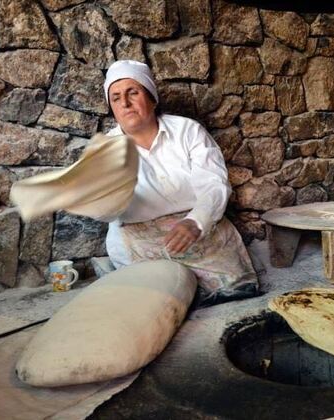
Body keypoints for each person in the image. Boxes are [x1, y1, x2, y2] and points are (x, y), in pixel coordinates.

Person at [102, 60, 257, 305]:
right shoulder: (105, 150)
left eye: (133, 92)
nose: (125, 103)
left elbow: (214, 183)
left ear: (152, 98)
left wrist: (196, 221)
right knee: (159, 301)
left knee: (235, 289)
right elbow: (103, 206)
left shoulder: (187, 131)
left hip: (194, 226)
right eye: (116, 97)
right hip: (138, 235)